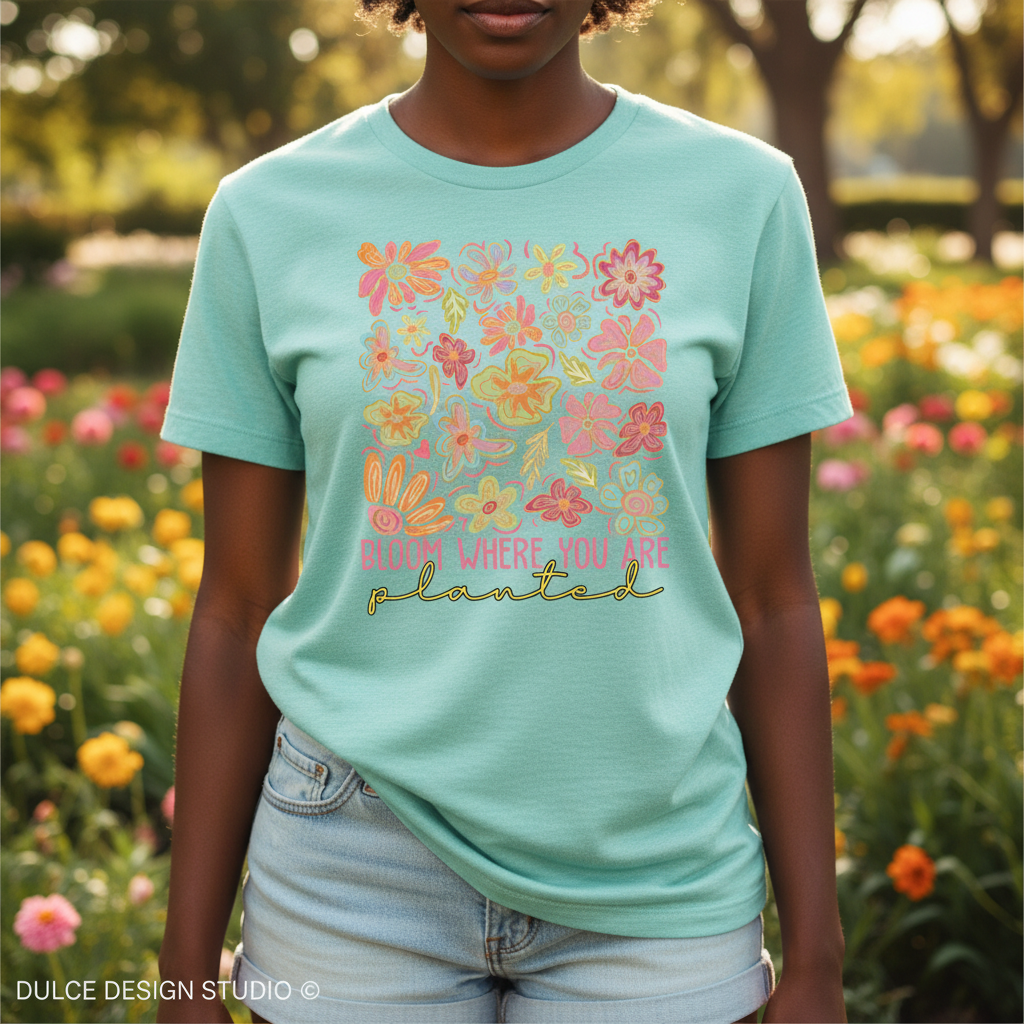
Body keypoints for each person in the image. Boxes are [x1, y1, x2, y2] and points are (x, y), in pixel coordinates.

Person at [155, 1, 852, 1021]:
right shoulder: (269, 211)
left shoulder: (740, 196)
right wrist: (182, 975)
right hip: (353, 865)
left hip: (655, 868)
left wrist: (817, 960)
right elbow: (235, 605)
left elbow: (774, 596)